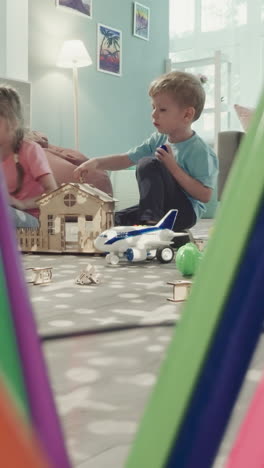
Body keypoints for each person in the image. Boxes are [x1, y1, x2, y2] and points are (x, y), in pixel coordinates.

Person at [73, 71, 219, 232]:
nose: (154, 114)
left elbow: (205, 196)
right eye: (153, 107)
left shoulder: (199, 151)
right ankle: (149, 220)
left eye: (162, 109)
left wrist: (173, 167)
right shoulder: (158, 139)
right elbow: (126, 159)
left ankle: (151, 223)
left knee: (148, 163)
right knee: (114, 219)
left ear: (187, 114)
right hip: (159, 209)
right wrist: (97, 162)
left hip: (184, 214)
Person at [0, 85, 57, 228]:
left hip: (34, 219)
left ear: (13, 123)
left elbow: (53, 193)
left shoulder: (30, 150)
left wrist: (23, 203)